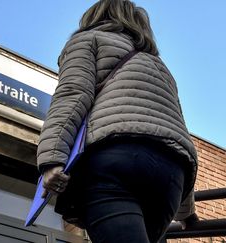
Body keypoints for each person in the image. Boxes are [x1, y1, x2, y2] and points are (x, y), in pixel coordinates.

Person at [37, 0, 199, 242]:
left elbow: (73, 94)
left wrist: (51, 160)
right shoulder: (161, 68)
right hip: (170, 178)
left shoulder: (89, 40)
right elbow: (177, 133)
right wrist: (187, 211)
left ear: (94, 16)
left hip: (115, 162)